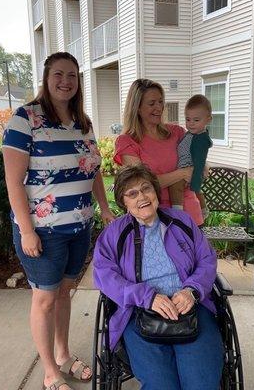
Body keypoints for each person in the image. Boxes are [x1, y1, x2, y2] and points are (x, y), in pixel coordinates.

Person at [2, 52, 114, 390]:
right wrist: (26, 230)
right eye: (59, 74)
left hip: (80, 226)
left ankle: (63, 354)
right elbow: (13, 182)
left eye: (73, 75)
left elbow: (92, 170)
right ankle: (50, 371)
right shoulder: (25, 119)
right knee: (45, 298)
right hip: (43, 231)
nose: (66, 81)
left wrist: (104, 208)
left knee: (65, 293)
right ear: (47, 77)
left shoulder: (83, 122)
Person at [93, 164, 224, 390]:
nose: (142, 197)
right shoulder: (115, 233)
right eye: (132, 194)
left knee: (202, 383)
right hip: (139, 313)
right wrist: (147, 297)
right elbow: (104, 274)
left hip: (190, 306)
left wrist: (191, 290)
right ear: (123, 202)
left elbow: (207, 260)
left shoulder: (181, 221)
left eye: (146, 189)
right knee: (160, 385)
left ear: (155, 192)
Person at [114, 79, 204, 226]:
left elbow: (199, 166)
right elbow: (141, 184)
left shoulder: (177, 132)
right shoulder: (127, 141)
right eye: (151, 103)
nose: (159, 108)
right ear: (137, 108)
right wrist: (181, 174)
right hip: (153, 218)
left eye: (160, 102)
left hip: (190, 214)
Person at [168, 94, 213, 219]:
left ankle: (178, 215)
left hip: (190, 170)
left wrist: (195, 180)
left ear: (208, 119)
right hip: (186, 167)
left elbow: (199, 161)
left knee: (175, 186)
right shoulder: (192, 134)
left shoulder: (200, 139)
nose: (191, 124)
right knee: (196, 192)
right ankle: (204, 210)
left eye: (196, 120)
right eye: (188, 119)